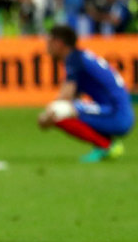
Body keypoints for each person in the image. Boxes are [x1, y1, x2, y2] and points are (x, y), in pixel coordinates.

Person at [38, 24, 133, 163]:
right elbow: (74, 98)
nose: (47, 47)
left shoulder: (74, 60)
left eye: (49, 42)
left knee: (57, 112)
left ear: (59, 43)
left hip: (117, 115)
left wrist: (46, 116)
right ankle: (104, 144)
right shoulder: (80, 57)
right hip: (117, 111)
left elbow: (64, 98)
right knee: (66, 110)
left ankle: (106, 145)